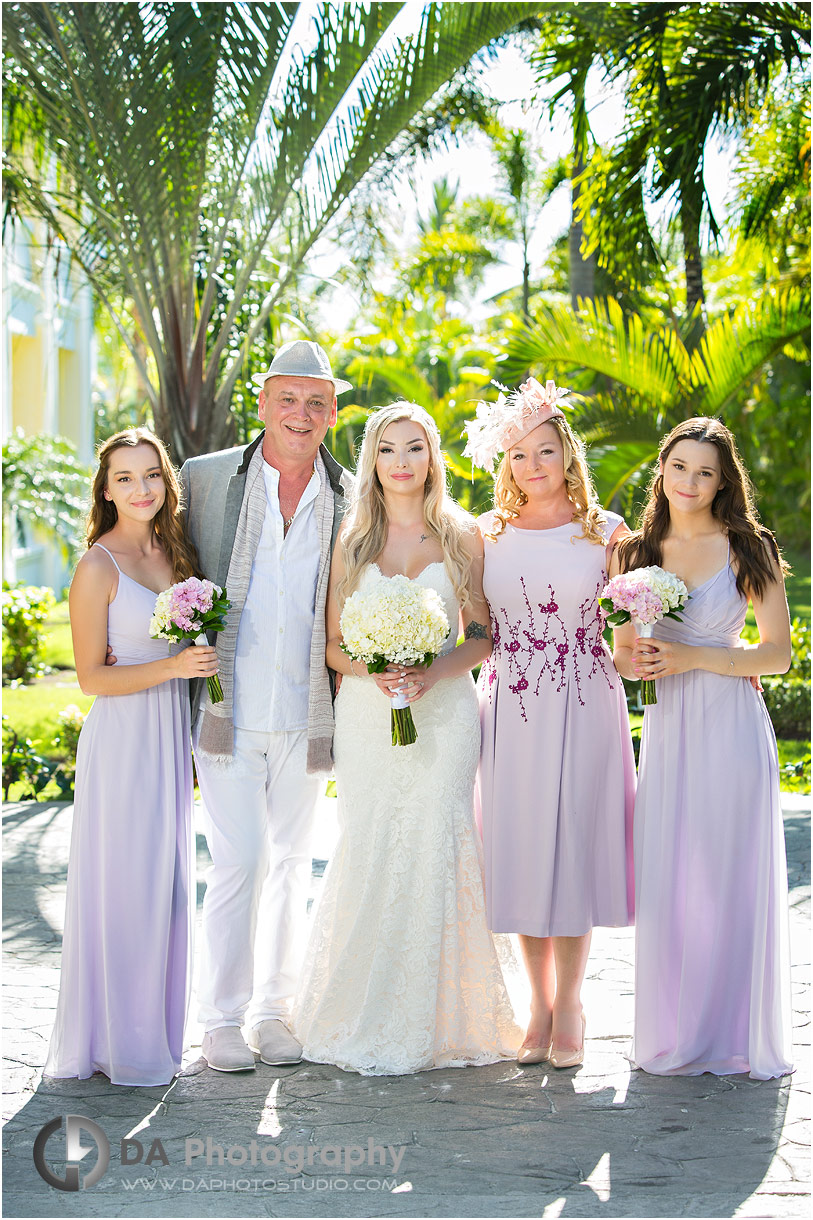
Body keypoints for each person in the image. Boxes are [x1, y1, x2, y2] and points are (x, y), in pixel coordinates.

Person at [290, 403, 521, 1075]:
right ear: (372, 461)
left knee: (438, 837)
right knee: (372, 841)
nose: (400, 461)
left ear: (431, 457)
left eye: (413, 447)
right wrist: (380, 671)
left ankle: (449, 1018)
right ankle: (361, 1007)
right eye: (387, 449)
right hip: (368, 716)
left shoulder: (461, 535)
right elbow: (332, 647)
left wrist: (428, 673)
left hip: (445, 714)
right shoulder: (352, 539)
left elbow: (481, 636)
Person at [180, 340, 353, 1073]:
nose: (300, 414)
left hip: (307, 713)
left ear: (334, 414)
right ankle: (220, 1017)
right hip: (227, 706)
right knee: (240, 861)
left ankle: (272, 1011)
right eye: (288, 398)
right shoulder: (208, 479)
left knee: (290, 864)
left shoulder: (350, 494)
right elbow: (171, 567)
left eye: (316, 402)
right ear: (262, 404)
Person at [610, 417, 793, 1079]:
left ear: (723, 482)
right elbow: (623, 657)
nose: (688, 482)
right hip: (668, 734)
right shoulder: (633, 552)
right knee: (674, 882)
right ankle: (676, 1033)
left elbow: (776, 655)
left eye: (704, 472)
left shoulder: (748, 546)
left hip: (730, 729)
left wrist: (695, 655)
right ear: (661, 469)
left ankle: (736, 1036)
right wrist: (643, 664)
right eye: (678, 467)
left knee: (729, 875)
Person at [465, 378, 635, 1070]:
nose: (531, 466)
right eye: (517, 456)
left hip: (586, 703)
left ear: (567, 453)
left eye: (544, 450)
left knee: (571, 849)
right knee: (522, 852)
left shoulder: (608, 533)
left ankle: (570, 1004)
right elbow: (473, 629)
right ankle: (535, 1004)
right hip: (510, 706)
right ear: (502, 465)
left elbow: (631, 636)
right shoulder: (484, 535)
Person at [44, 429, 219, 1086]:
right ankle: (117, 1045)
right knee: (124, 890)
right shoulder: (97, 566)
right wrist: (171, 665)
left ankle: (152, 1035)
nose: (141, 488)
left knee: (163, 891)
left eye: (151, 475)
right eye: (125, 477)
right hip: (121, 744)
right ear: (106, 487)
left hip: (168, 737)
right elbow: (90, 678)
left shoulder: (175, 553)